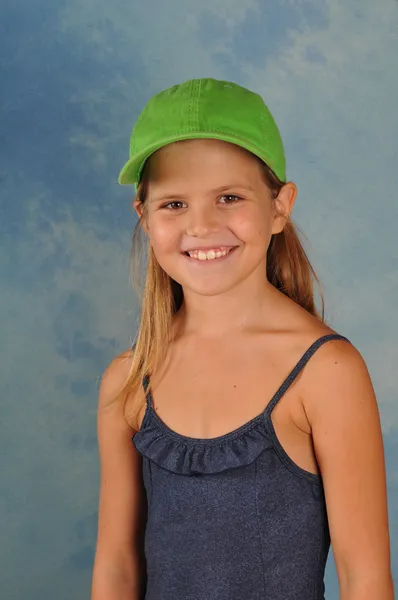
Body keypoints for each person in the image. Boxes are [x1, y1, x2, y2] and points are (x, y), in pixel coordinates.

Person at [90, 78, 394, 600]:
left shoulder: (327, 372)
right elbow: (117, 567)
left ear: (280, 206)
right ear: (144, 217)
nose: (202, 226)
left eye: (229, 197)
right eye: (174, 204)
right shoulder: (130, 377)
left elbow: (365, 579)